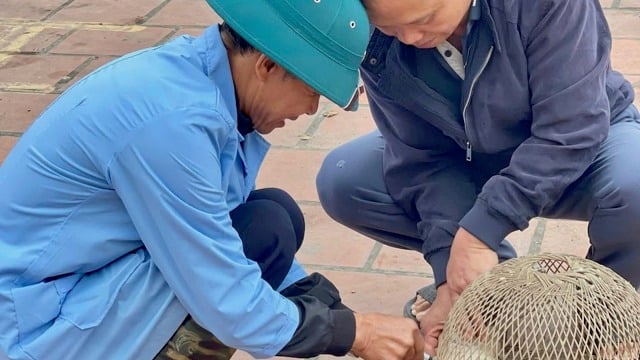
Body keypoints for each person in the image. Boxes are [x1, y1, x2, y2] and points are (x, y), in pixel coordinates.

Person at [0, 0, 426, 359]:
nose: (311, 110)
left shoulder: (200, 82)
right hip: (35, 330)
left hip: (78, 279)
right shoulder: (171, 125)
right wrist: (357, 333)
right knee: (261, 237)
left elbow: (221, 227)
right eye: (312, 90)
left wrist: (318, 299)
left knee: (272, 219)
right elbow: (224, 294)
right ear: (266, 66)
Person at [316, 0, 640, 356]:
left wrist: (481, 231)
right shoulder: (374, 40)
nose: (409, 38)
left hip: (578, 145)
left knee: (635, 183)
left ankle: (602, 315)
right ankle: (492, 296)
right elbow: (423, 161)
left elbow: (571, 128)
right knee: (344, 180)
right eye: (391, 28)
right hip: (464, 153)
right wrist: (449, 277)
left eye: (424, 19)